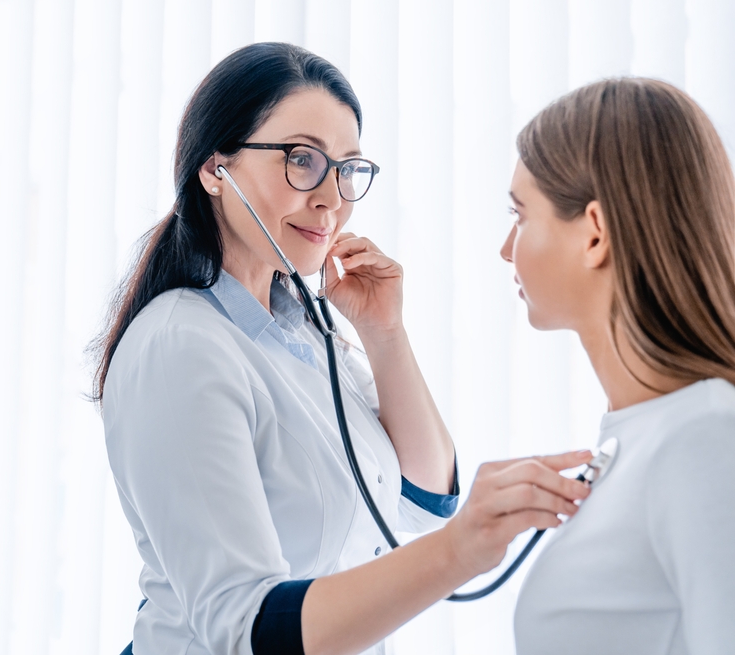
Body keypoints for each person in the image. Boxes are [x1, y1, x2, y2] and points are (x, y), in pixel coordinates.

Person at [94, 42, 590, 655]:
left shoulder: (303, 330)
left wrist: (385, 335)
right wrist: (461, 548)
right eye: (302, 160)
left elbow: (425, 500)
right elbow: (242, 628)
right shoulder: (180, 346)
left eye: (347, 167)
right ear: (214, 170)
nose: (332, 197)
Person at [505, 78, 735, 654]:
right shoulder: (652, 434)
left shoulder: (704, 439)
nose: (506, 248)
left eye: (520, 215)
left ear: (595, 235)